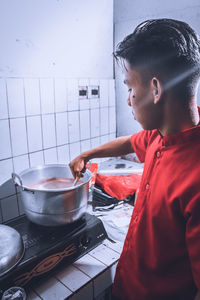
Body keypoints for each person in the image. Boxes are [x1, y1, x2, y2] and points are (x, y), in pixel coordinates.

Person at [69, 18, 200, 300]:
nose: (128, 100)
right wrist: (87, 154)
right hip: (127, 287)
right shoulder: (159, 134)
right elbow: (129, 142)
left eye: (130, 88)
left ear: (155, 89)